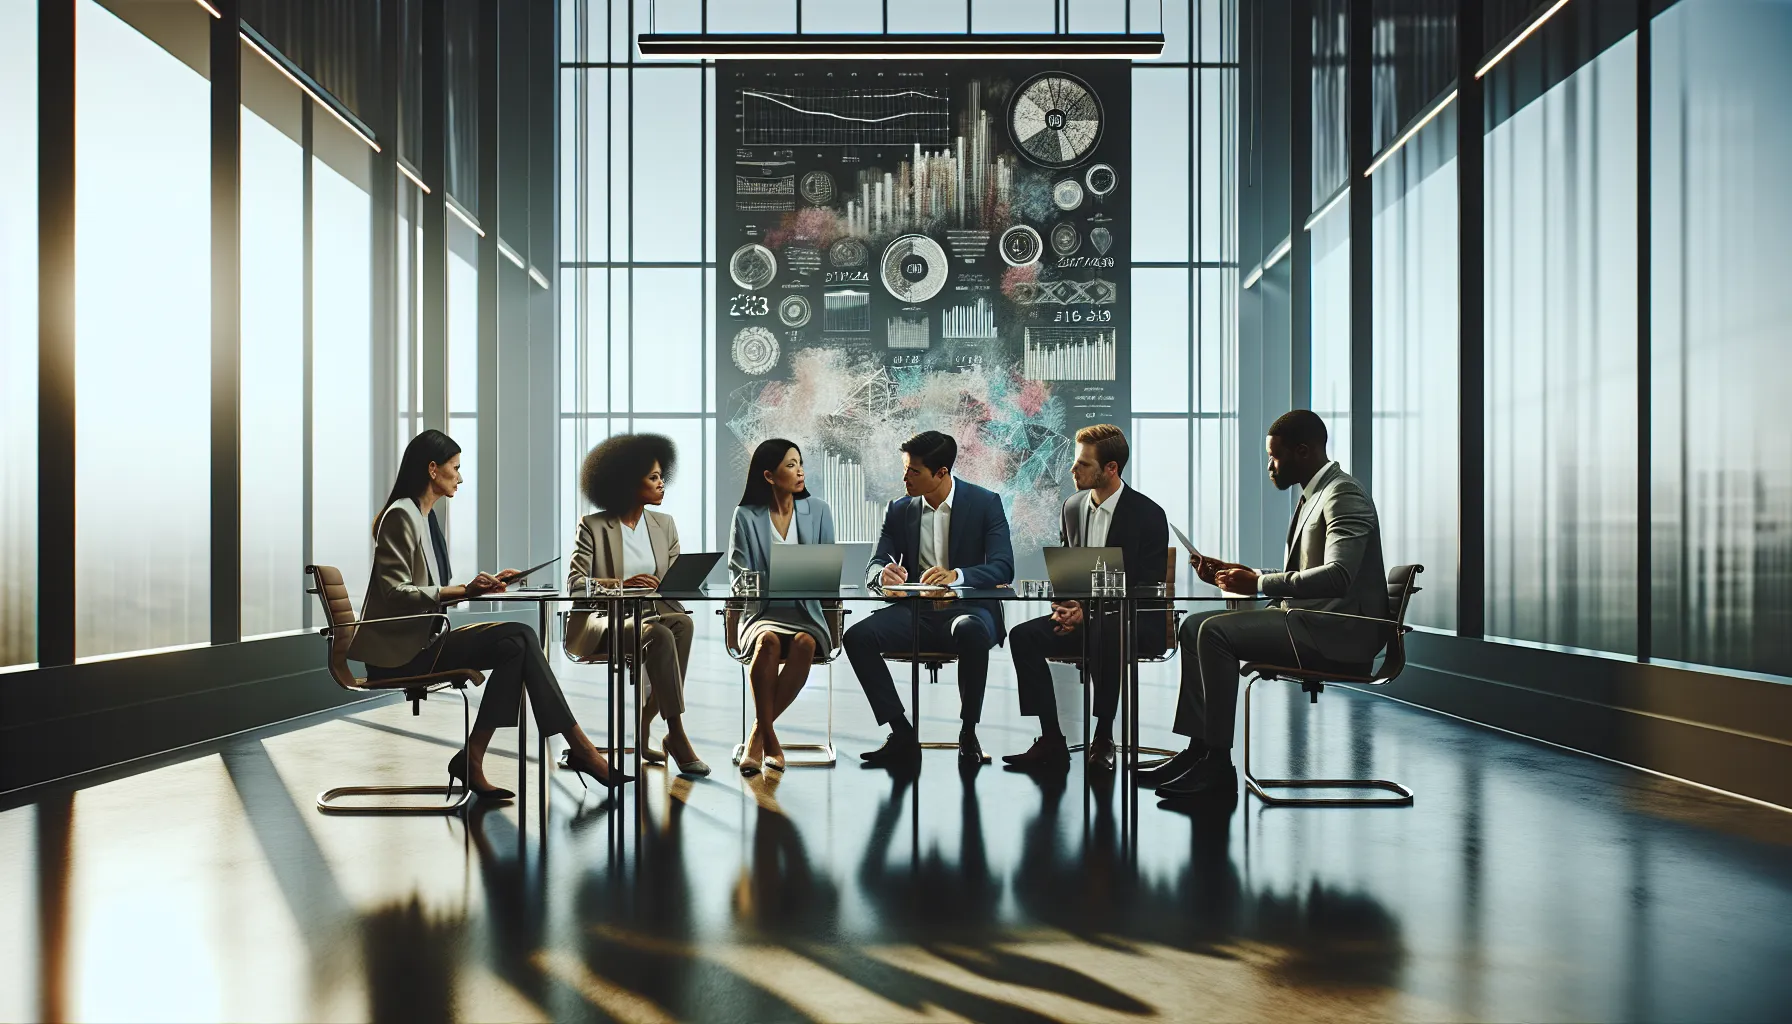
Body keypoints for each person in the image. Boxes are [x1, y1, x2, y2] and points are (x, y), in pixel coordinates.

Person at [349, 429, 629, 796]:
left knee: (517, 644)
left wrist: (482, 585)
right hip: (399, 656)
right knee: (520, 637)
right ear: (432, 469)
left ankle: (481, 758)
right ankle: (580, 750)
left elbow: (426, 592)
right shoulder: (402, 515)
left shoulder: (425, 518)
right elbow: (395, 592)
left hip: (421, 643)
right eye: (455, 467)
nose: (460, 477)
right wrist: (466, 590)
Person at [1141, 410, 1391, 801]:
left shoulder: (1343, 494)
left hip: (1337, 633)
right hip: (1310, 621)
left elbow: (1339, 575)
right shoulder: (1315, 495)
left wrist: (1256, 584)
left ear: (1303, 451)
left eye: (1275, 456)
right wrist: (1241, 573)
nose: (1270, 466)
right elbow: (1306, 574)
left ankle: (1217, 766)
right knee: (1192, 626)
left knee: (1214, 631)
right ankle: (1198, 750)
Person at [1002, 424, 1170, 774]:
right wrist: (1066, 607)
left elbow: (1145, 587)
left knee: (1105, 629)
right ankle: (1051, 738)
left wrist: (1089, 612)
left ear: (1111, 468)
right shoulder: (1072, 507)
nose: (1072, 469)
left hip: (1131, 621)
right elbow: (1070, 570)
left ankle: (1104, 736)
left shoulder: (1149, 515)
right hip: (1084, 618)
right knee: (1022, 636)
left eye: (1083, 464)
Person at [844, 430, 1015, 768]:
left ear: (941, 473)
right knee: (856, 637)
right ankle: (901, 734)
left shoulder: (985, 503)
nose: (905, 478)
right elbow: (875, 562)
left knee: (970, 630)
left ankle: (968, 733)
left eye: (913, 471)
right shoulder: (898, 509)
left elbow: (1003, 566)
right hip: (915, 612)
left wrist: (958, 576)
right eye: (904, 469)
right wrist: (882, 576)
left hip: (967, 610)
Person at [564, 433, 708, 776]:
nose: (662, 484)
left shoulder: (664, 524)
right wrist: (620, 585)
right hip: (605, 620)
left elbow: (673, 583)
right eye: (653, 477)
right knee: (660, 634)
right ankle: (676, 734)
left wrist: (678, 582)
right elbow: (575, 584)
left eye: (662, 476)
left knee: (682, 624)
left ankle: (644, 724)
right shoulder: (593, 526)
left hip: (654, 613)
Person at [727, 439, 837, 776]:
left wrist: (802, 574)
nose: (800, 470)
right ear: (769, 475)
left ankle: (758, 735)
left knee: (805, 643)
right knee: (768, 642)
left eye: (800, 463)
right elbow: (738, 576)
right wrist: (773, 579)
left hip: (806, 613)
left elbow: (827, 569)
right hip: (762, 613)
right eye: (790, 465)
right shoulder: (746, 516)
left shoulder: (819, 510)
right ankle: (770, 740)